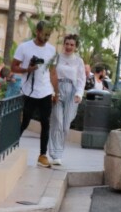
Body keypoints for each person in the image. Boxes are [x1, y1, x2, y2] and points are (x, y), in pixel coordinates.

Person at [12, 20, 58, 168]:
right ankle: (12, 146)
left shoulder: (52, 50)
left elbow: (53, 72)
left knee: (46, 123)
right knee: (24, 121)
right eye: (44, 34)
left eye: (49, 35)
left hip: (45, 91)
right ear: (37, 32)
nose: (46, 37)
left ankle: (42, 155)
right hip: (28, 92)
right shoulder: (24, 47)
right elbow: (13, 67)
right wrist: (27, 69)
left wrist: (55, 92)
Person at [48, 33, 86, 167]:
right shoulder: (56, 58)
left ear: (75, 46)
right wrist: (53, 91)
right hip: (58, 90)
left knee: (65, 126)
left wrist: (79, 94)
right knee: (57, 121)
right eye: (67, 44)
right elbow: (51, 75)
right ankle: (55, 154)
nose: (69, 47)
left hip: (72, 91)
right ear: (63, 44)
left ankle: (60, 151)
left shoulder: (78, 61)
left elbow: (81, 79)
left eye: (72, 45)